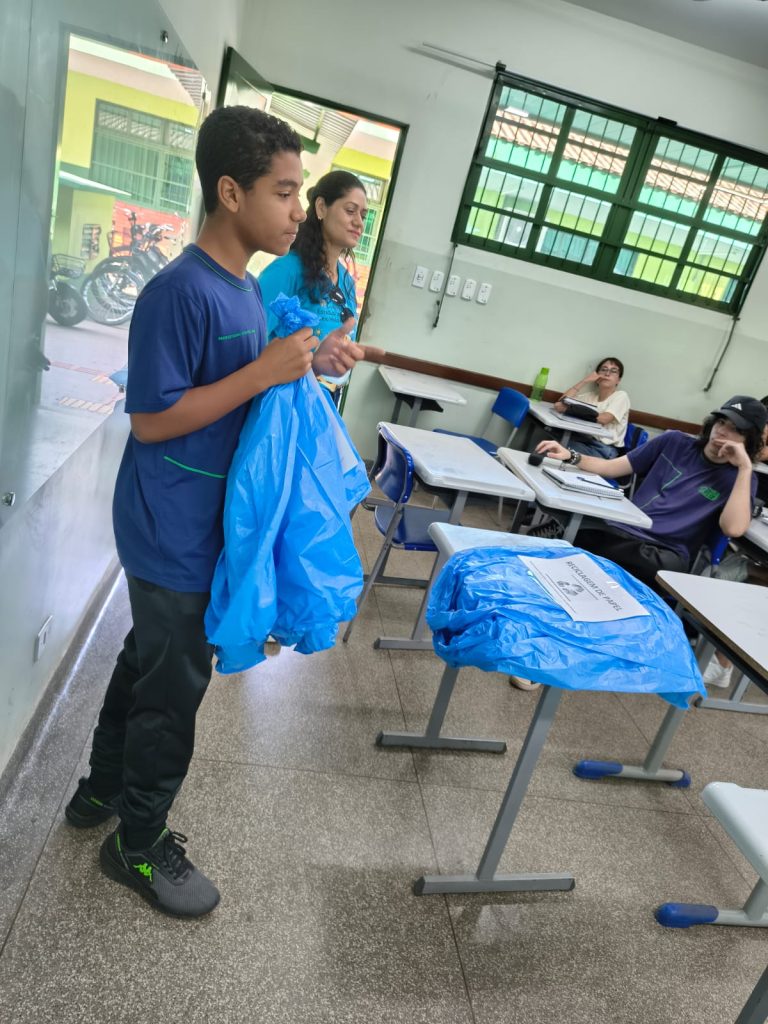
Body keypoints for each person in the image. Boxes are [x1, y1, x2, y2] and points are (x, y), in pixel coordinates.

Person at [63, 106, 372, 918]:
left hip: (203, 523)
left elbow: (258, 373)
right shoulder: (179, 292)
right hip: (169, 524)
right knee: (175, 686)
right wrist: (264, 372)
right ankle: (136, 844)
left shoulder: (242, 288)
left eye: (301, 191)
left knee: (149, 659)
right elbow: (153, 417)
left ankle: (99, 789)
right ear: (230, 192)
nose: (299, 209)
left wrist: (308, 360)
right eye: (285, 191)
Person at [511, 396, 767, 693]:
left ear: (747, 441)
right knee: (577, 542)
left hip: (665, 554)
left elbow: (733, 528)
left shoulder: (737, 478)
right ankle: (546, 634)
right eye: (721, 422)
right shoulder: (673, 442)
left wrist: (746, 469)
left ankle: (550, 656)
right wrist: (570, 456)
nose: (721, 432)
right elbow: (612, 468)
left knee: (589, 559)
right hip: (623, 529)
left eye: (734, 430)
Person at [258, 169, 368, 406]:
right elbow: (250, 346)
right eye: (350, 211)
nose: (359, 222)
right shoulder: (287, 270)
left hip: (326, 402)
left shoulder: (346, 282)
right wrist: (312, 362)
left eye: (363, 214)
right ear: (321, 208)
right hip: (285, 404)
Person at [553, 356, 630, 458]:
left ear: (618, 380)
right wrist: (585, 381)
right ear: (597, 377)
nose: (607, 374)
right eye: (604, 370)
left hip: (604, 449)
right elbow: (560, 403)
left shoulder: (621, 396)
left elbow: (604, 419)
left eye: (613, 371)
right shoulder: (590, 396)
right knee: (554, 441)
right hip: (584, 441)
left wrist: (569, 409)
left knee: (558, 447)